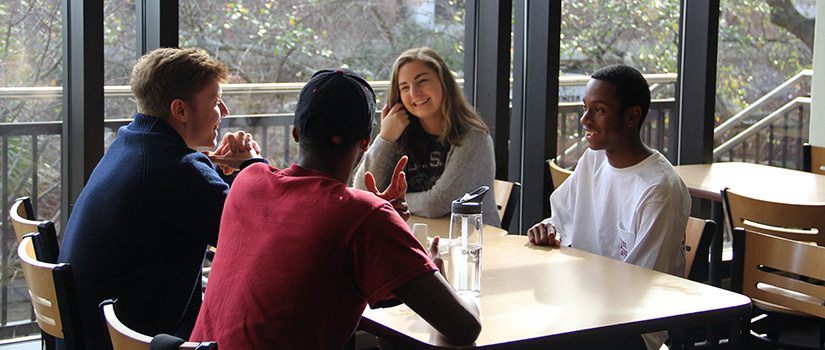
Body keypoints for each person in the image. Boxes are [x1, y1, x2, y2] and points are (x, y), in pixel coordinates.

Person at [189, 68, 481, 349]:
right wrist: (438, 272)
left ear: (295, 133)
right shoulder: (365, 217)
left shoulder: (247, 183)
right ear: (365, 143)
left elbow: (277, 182)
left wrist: (380, 221)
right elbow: (464, 329)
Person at [57, 48, 267, 349]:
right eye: (215, 100)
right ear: (180, 110)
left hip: (96, 334)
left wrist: (229, 176)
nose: (225, 110)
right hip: (141, 339)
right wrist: (254, 165)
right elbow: (262, 234)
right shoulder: (176, 167)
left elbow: (204, 207)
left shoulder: (130, 144)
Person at [526, 65, 690, 350]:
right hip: (583, 305)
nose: (584, 120)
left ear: (631, 116)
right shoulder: (594, 160)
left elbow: (641, 286)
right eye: (585, 108)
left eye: (598, 110)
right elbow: (561, 219)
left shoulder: (657, 189)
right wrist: (548, 229)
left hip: (630, 328)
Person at [353, 47, 500, 227]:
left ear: (444, 82)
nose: (414, 92)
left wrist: (386, 200)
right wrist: (385, 138)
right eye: (404, 87)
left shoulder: (474, 138)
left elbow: (436, 203)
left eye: (422, 81)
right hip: (417, 240)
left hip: (468, 245)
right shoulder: (401, 134)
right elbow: (362, 191)